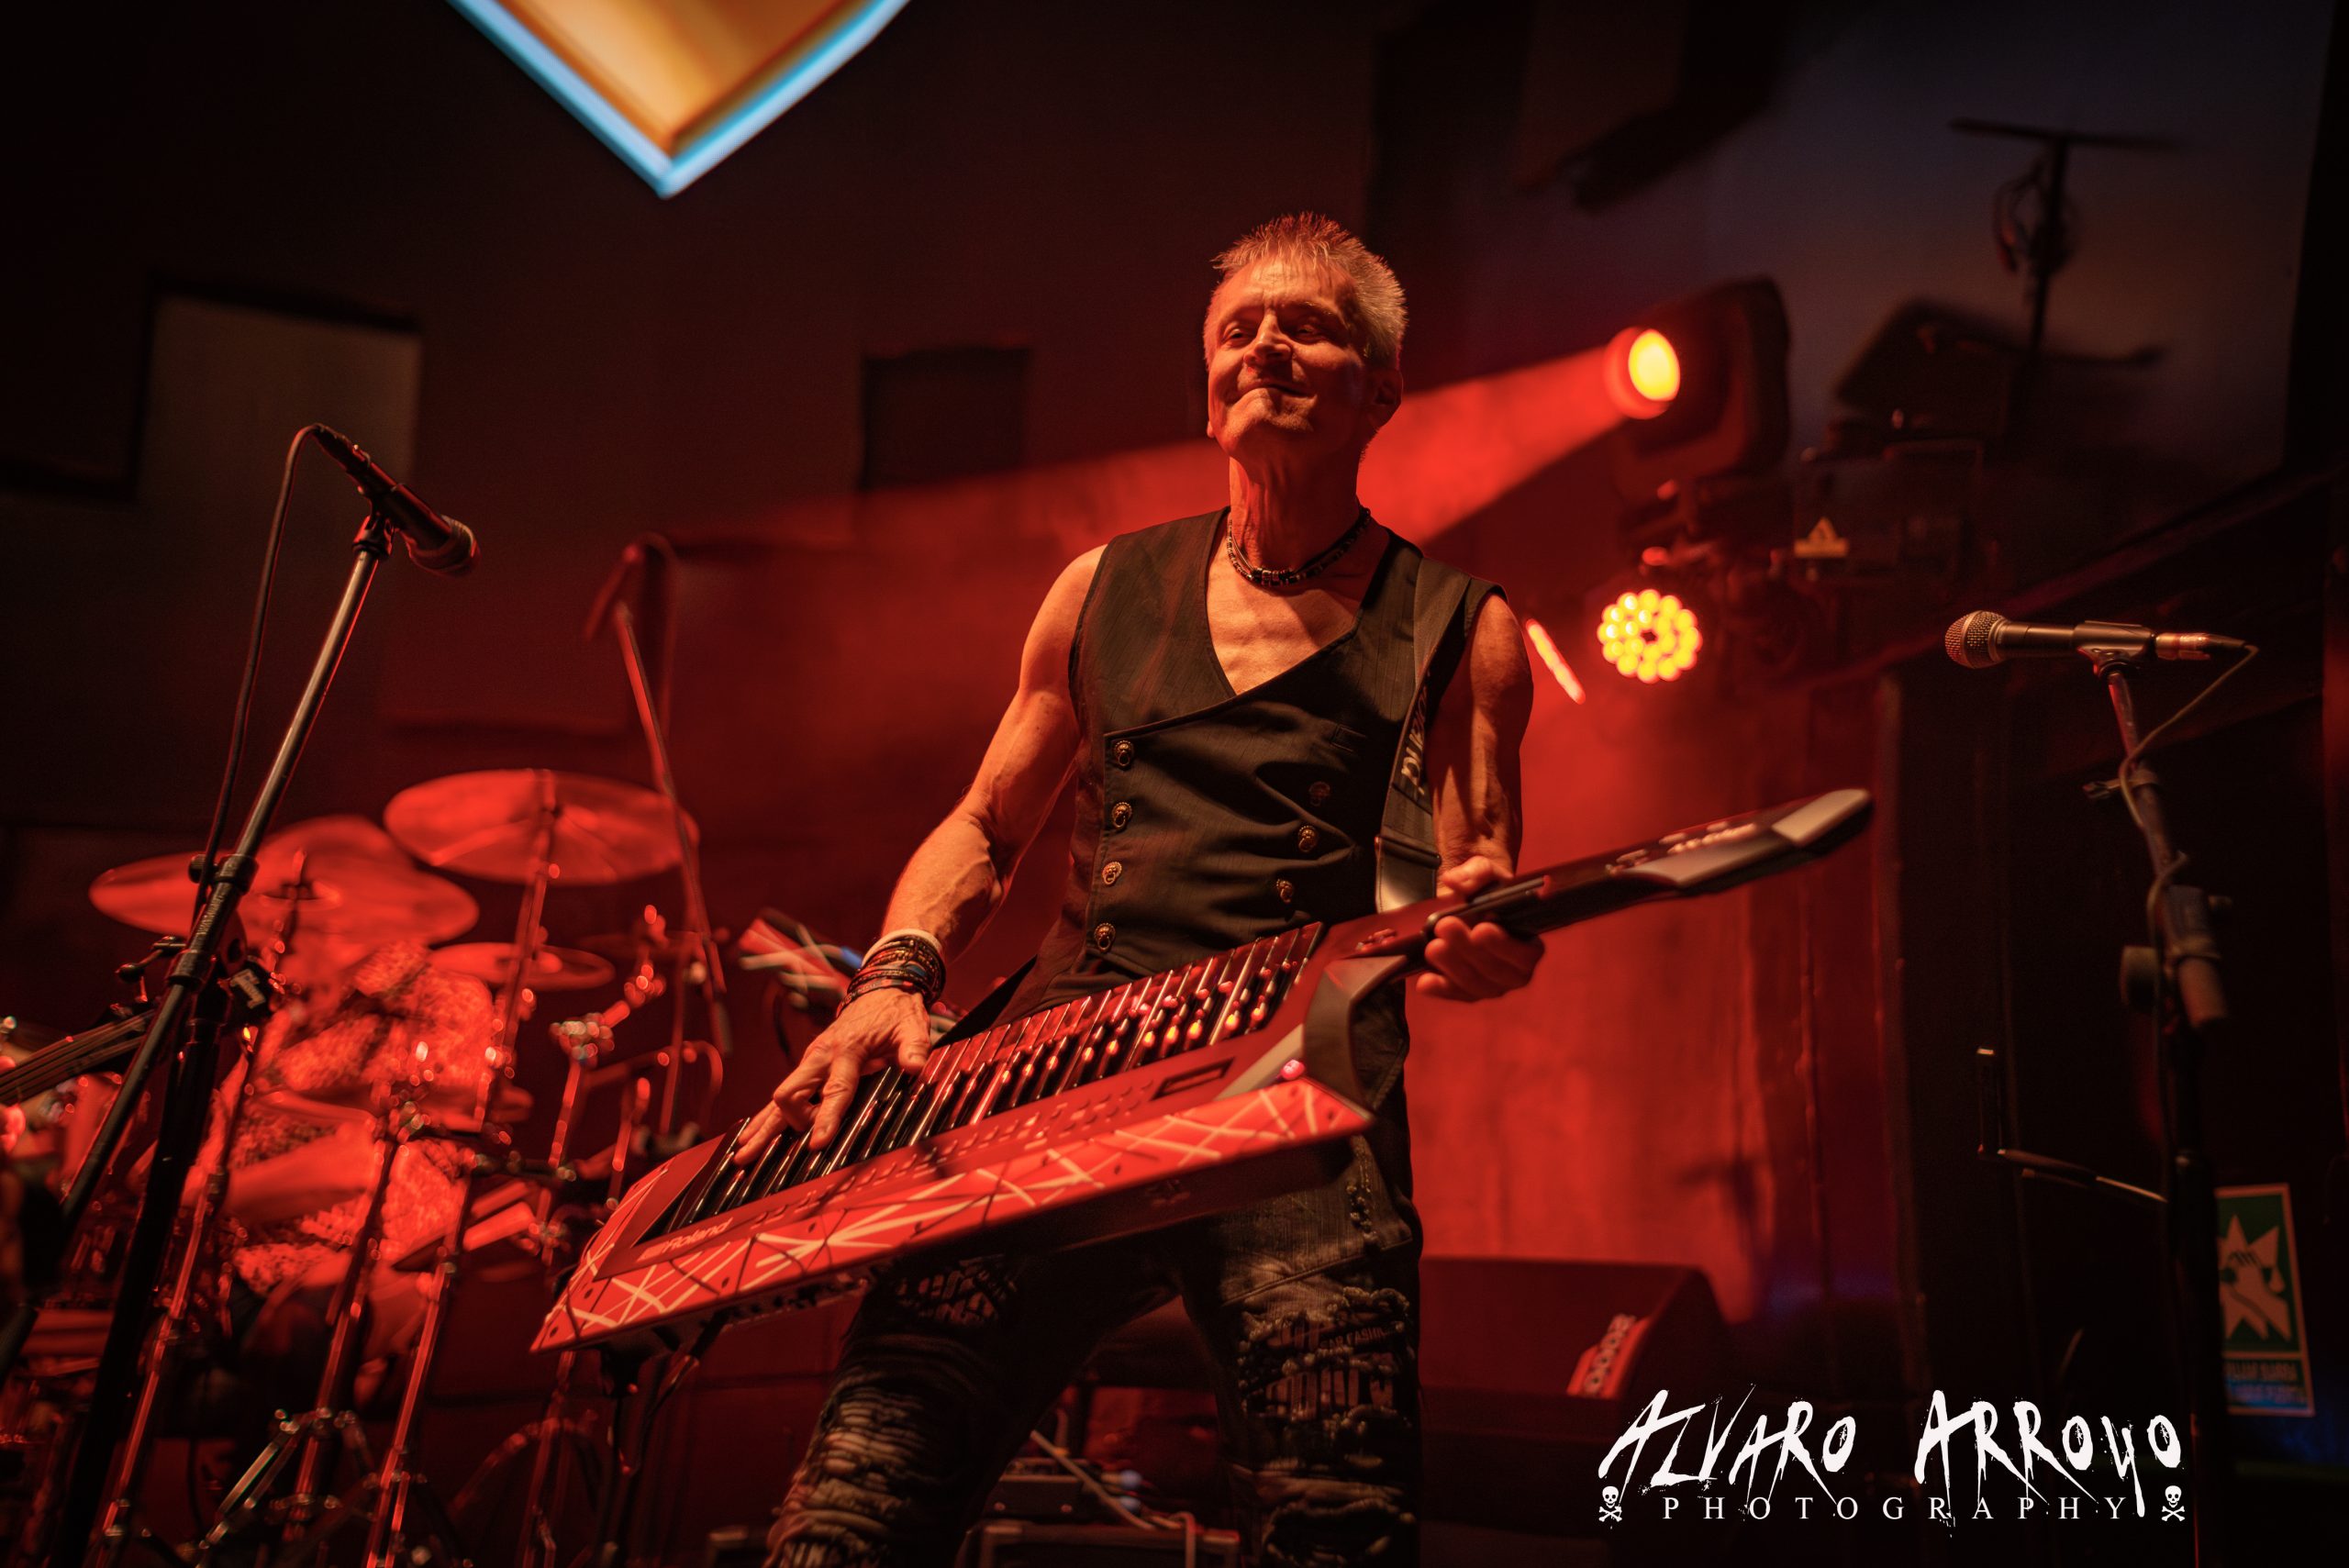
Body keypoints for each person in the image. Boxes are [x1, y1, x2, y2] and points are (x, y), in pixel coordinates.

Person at [737, 214, 1543, 1567]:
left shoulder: (1463, 624)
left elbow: (1482, 874)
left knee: (1336, 1530)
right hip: (1050, 1085)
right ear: (1207, 388)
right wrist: (894, 975)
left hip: (1296, 1109)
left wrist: (1485, 937)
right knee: (855, 1503)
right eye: (1237, 329)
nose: (1264, 345)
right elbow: (984, 825)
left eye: (1307, 327)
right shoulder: (1099, 589)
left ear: (1382, 391)